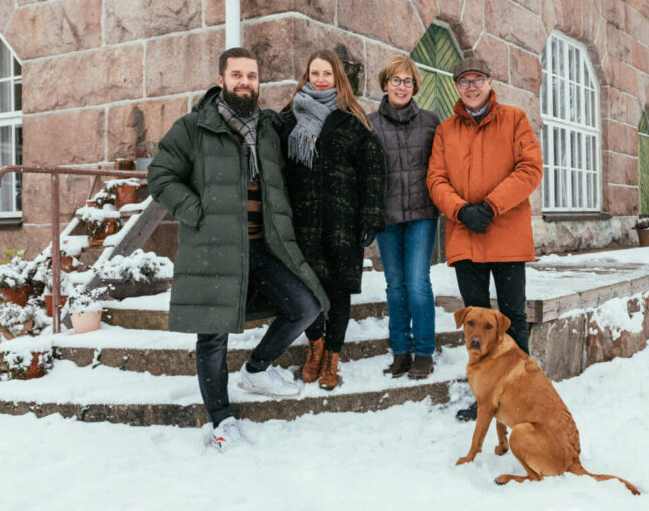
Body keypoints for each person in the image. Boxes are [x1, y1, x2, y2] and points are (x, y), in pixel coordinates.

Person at [148, 47, 329, 452]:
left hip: (262, 247)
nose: (245, 82)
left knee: (306, 305)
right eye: (237, 75)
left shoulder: (267, 129)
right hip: (213, 248)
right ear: (221, 80)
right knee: (212, 338)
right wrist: (199, 211)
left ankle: (257, 368)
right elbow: (160, 175)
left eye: (252, 75)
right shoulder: (193, 127)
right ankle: (222, 418)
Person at [426, 56, 543, 421]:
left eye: (478, 80)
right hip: (465, 237)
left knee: (511, 317)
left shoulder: (514, 119)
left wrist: (491, 207)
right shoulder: (446, 130)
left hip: (506, 233)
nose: (471, 87)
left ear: (490, 82)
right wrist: (462, 211)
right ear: (456, 88)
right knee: (475, 324)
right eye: (464, 82)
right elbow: (435, 179)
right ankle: (483, 395)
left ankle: (520, 391)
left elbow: (530, 169)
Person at [274, 49, 385, 390]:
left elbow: (371, 173)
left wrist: (370, 217)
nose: (320, 79)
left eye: (327, 74)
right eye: (314, 74)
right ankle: (315, 345)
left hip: (342, 222)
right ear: (306, 78)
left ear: (338, 79)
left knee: (338, 291)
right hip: (302, 220)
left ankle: (333, 357)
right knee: (308, 288)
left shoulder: (354, 122)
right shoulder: (287, 120)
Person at [368, 56, 442, 379]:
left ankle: (424, 351)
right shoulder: (369, 123)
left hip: (422, 214)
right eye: (396, 80)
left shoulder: (431, 122)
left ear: (415, 88)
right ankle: (400, 350)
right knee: (395, 286)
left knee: (417, 283)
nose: (401, 86)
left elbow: (441, 166)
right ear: (385, 84)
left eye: (408, 81)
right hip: (387, 216)